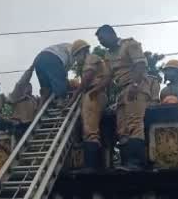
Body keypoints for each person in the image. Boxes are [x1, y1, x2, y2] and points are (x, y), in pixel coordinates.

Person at [95, 25, 148, 171]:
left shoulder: (130, 44)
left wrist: (135, 85)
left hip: (135, 87)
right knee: (122, 128)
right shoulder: (108, 55)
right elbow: (108, 78)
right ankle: (127, 163)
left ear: (111, 34)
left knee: (134, 122)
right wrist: (94, 91)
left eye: (102, 38)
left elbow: (140, 64)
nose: (101, 42)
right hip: (121, 91)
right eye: (99, 40)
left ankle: (137, 162)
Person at [68, 40, 112, 172]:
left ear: (82, 51)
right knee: (91, 129)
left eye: (76, 56)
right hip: (97, 93)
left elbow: (87, 79)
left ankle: (91, 166)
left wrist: (74, 96)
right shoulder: (96, 60)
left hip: (93, 94)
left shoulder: (91, 58)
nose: (76, 60)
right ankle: (94, 164)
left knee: (90, 130)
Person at [28, 42, 77, 106]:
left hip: (39, 59)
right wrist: (65, 85)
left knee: (45, 89)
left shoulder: (64, 47)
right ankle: (61, 100)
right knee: (60, 82)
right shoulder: (73, 51)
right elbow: (62, 75)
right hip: (52, 57)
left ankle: (40, 106)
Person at [7, 68, 39, 138]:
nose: (30, 89)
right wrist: (30, 69)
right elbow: (21, 82)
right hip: (19, 124)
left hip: (30, 124)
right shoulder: (15, 96)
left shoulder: (33, 99)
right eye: (28, 87)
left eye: (31, 87)